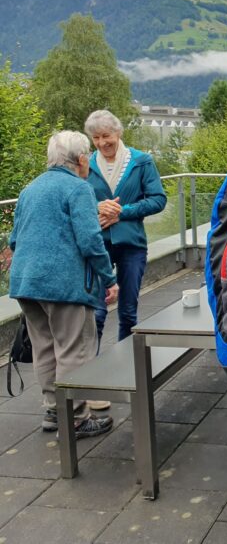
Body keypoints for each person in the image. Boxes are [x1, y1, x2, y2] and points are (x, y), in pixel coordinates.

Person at [9, 131, 118, 439]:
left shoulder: (30, 188)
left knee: (44, 349)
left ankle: (53, 412)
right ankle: (76, 419)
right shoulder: (78, 188)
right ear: (81, 159)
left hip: (25, 282)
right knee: (73, 350)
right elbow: (90, 240)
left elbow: (14, 239)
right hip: (64, 285)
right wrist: (109, 279)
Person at [84, 110, 167, 344]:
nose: (102, 143)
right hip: (98, 245)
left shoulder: (141, 161)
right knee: (96, 313)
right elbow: (75, 200)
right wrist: (98, 207)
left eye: (106, 136)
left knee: (128, 312)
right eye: (96, 138)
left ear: (118, 132)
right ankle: (92, 363)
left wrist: (121, 212)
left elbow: (158, 200)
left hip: (132, 245)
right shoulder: (86, 164)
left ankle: (128, 361)